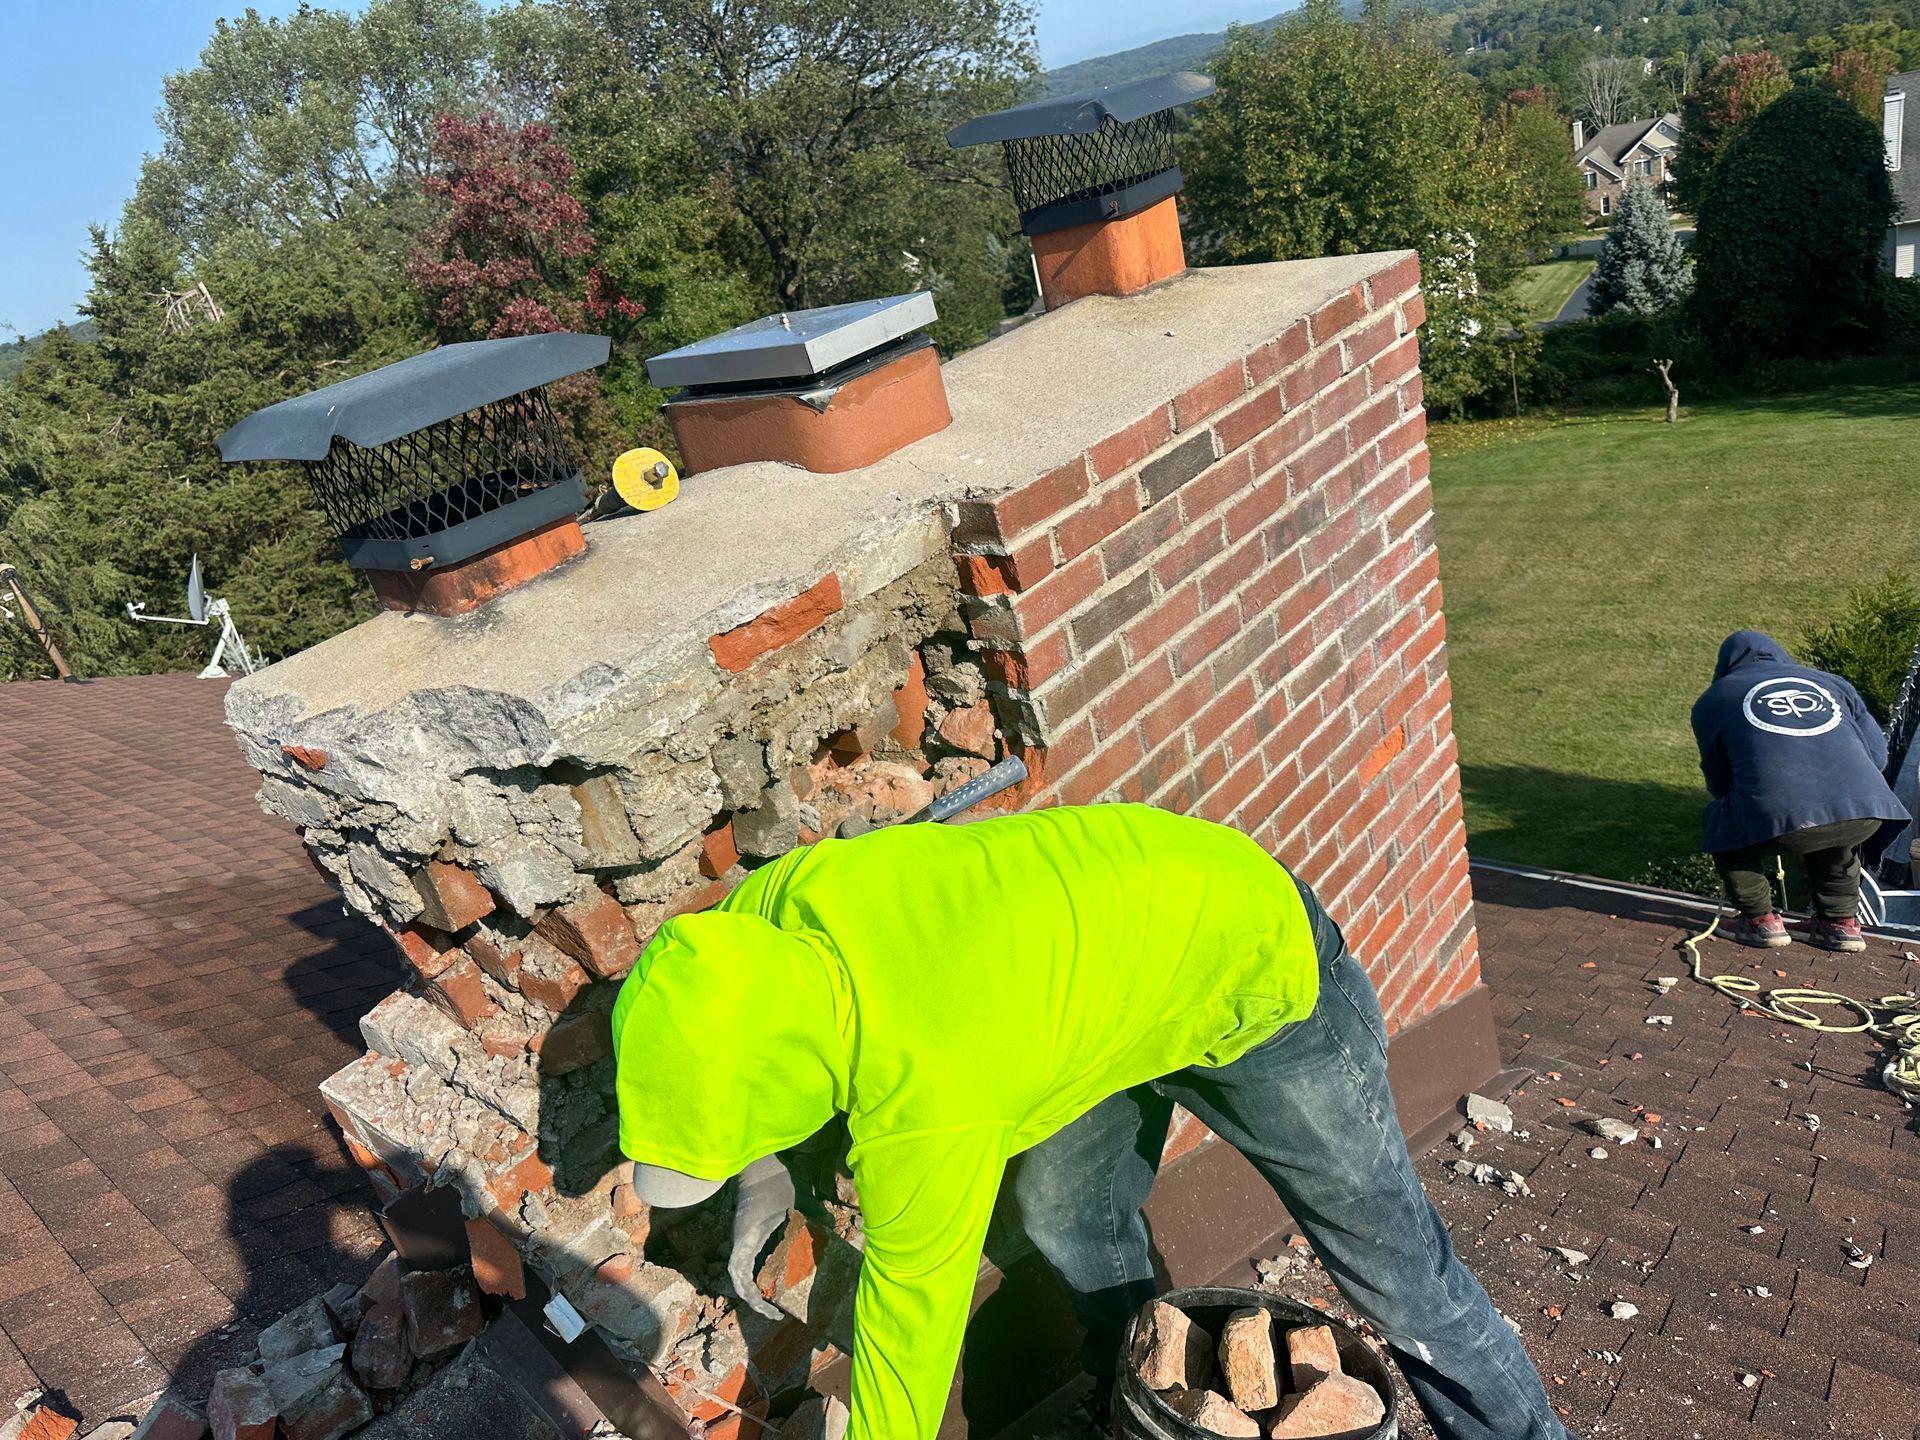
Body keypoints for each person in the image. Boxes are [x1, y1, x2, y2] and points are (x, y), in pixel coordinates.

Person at [611, 804, 1572, 1440]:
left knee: (1395, 1272)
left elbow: (910, 1322)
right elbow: (740, 1034)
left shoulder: (931, 1091)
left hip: (1252, 969)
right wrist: (765, 1156)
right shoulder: (766, 915)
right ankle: (1146, 1399)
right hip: (1107, 991)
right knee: (1068, 1214)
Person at [1690, 630, 1908, 951]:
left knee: (1721, 822)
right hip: (1870, 811)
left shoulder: (1715, 698)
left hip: (1779, 813)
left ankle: (1758, 921)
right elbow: (1878, 756)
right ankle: (1840, 924)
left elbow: (1720, 784)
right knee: (1838, 825)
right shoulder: (1833, 683)